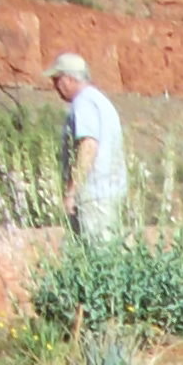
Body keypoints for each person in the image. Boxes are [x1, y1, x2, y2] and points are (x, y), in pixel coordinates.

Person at [51, 52, 127, 236]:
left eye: (56, 80)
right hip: (110, 192)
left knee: (96, 255)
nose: (54, 86)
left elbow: (88, 146)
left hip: (93, 195)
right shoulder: (100, 101)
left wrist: (71, 192)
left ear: (67, 79)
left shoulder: (83, 103)